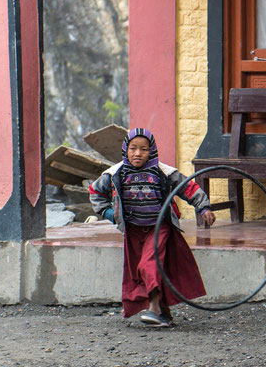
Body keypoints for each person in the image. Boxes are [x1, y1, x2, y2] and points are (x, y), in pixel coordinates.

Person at [89, 128, 216, 327]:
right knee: (146, 269)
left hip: (159, 227)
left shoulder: (162, 171)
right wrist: (110, 214)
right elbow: (95, 191)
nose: (138, 153)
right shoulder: (116, 173)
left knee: (148, 265)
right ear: (125, 149)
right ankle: (164, 314)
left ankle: (154, 308)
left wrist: (204, 207)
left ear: (152, 151)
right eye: (133, 148)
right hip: (133, 230)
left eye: (144, 149)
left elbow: (188, 187)